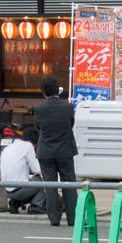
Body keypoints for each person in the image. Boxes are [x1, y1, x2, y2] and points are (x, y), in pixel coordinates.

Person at [34, 75, 78, 226]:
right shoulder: (68, 107)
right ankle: (73, 219)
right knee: (70, 184)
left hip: (46, 151)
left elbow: (38, 127)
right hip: (65, 150)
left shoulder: (38, 109)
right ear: (57, 90)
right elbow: (70, 124)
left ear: (43, 92)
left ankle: (54, 218)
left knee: (50, 185)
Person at [0, 127, 47, 215]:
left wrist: (29, 176)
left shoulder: (9, 147)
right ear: (34, 142)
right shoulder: (28, 145)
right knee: (40, 180)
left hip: (7, 191)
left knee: (33, 182)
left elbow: (15, 171)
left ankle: (15, 203)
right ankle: (36, 206)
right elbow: (37, 169)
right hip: (19, 190)